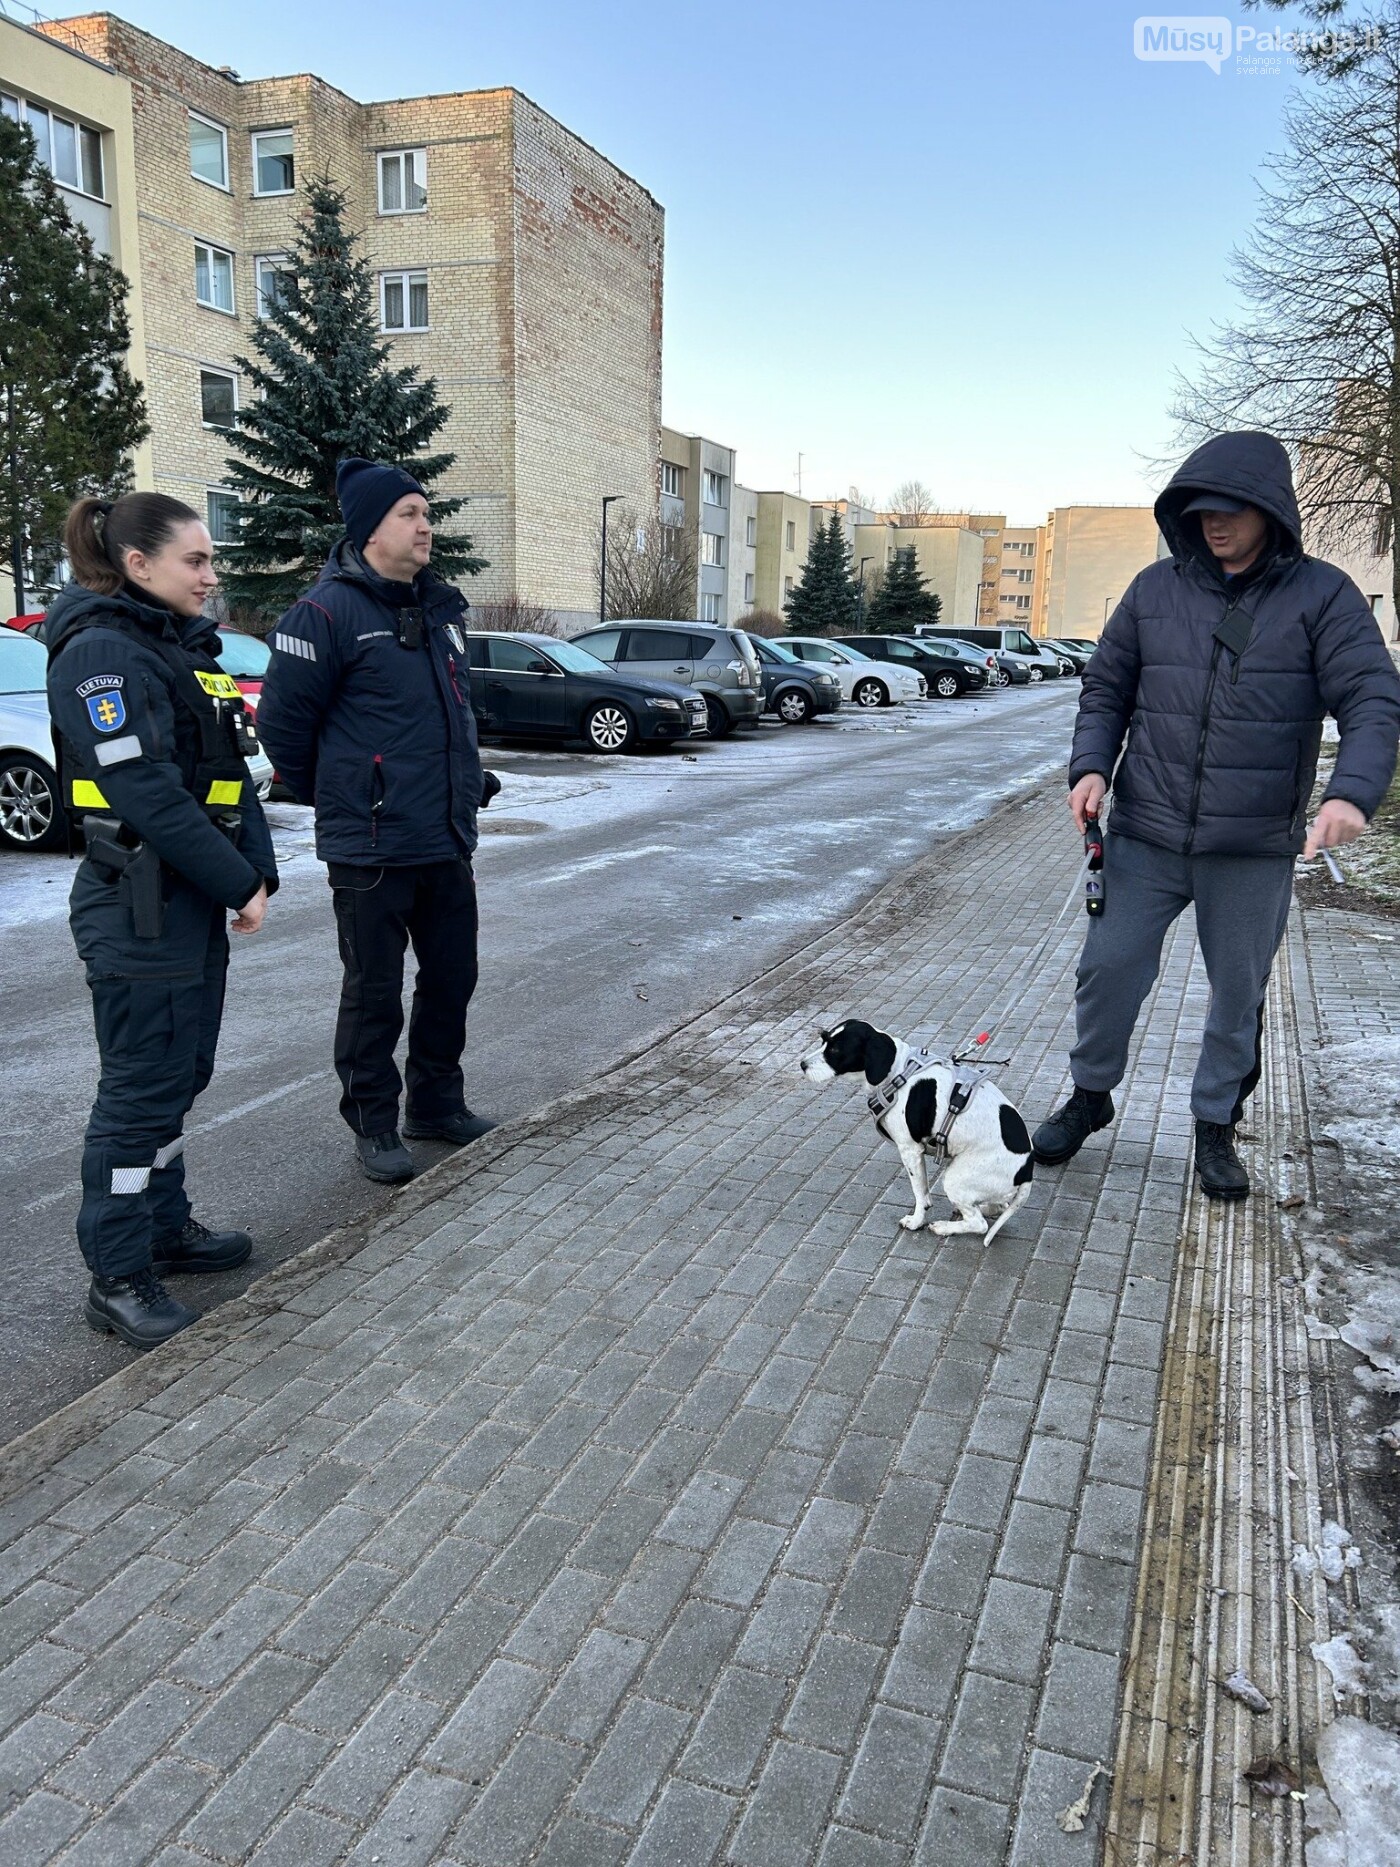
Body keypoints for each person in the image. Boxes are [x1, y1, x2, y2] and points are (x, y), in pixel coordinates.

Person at [1032, 430, 1400, 1199]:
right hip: (1146, 834)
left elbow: (1371, 697)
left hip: (1253, 846)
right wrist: (1092, 766)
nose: (1214, 524)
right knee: (1107, 970)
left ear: (1270, 510)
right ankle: (1090, 1096)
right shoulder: (1153, 591)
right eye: (1200, 510)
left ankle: (1214, 1124)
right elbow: (1106, 687)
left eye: (1231, 509)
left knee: (1238, 994)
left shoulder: (1324, 596)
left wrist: (1350, 792)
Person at [46, 494, 278, 1348]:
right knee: (139, 1091)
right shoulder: (101, 651)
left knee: (179, 1077)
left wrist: (258, 873)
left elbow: (230, 771)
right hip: (137, 905)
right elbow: (145, 789)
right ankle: (117, 1274)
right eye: (196, 560)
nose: (212, 577)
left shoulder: (178, 645)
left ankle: (162, 1230)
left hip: (183, 899)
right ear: (139, 564)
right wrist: (234, 882)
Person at [256, 458, 499, 1185]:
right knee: (373, 992)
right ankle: (372, 1122)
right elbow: (282, 729)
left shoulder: (439, 613)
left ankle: (436, 1103)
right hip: (370, 846)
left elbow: (445, 717)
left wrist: (465, 777)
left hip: (443, 838)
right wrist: (346, 793)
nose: (426, 526)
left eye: (427, 514)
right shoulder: (324, 614)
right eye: (409, 514)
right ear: (368, 529)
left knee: (452, 977)